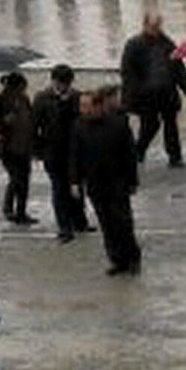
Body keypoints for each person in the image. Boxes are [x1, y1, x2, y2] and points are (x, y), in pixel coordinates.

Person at [73, 87, 140, 276]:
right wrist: (74, 181)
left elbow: (130, 155)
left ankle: (132, 258)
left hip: (118, 182)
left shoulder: (118, 124)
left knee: (123, 222)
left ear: (99, 106)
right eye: (82, 106)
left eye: (87, 106)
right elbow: (75, 156)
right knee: (106, 224)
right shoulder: (79, 126)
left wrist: (132, 180)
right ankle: (116, 260)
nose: (84, 110)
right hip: (95, 184)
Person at [119, 14, 186, 169]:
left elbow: (178, 66)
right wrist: (134, 93)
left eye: (158, 25)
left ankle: (175, 157)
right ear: (144, 25)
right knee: (150, 124)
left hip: (167, 92)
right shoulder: (133, 45)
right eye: (153, 26)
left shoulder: (168, 43)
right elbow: (127, 72)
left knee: (171, 125)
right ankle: (139, 150)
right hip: (146, 95)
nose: (156, 29)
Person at [30, 66, 92, 243]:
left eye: (68, 83)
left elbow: (82, 120)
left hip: (76, 150)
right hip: (53, 152)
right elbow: (34, 126)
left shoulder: (77, 97)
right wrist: (37, 151)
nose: (65, 87)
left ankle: (80, 221)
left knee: (77, 186)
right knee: (59, 190)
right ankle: (64, 227)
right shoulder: (42, 99)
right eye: (62, 83)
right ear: (54, 81)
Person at [0, 75, 36, 227]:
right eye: (22, 87)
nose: (24, 90)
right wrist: (5, 121)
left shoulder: (24, 100)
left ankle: (20, 211)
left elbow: (31, 119)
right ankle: (9, 209)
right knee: (17, 179)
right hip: (7, 148)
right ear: (13, 87)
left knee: (23, 180)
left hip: (24, 146)